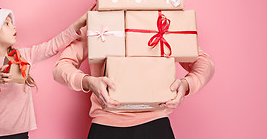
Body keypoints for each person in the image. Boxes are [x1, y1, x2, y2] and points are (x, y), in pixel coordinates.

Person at [53, 25, 215, 139]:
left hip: (154, 124)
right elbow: (61, 67)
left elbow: (204, 62)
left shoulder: (162, 21)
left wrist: (187, 84)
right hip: (106, 126)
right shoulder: (98, 22)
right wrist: (88, 81)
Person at [0, 7, 87, 138]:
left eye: (12, 23)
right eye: (6, 23)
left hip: (21, 135)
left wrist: (78, 24)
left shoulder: (23, 55)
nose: (14, 26)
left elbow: (52, 45)